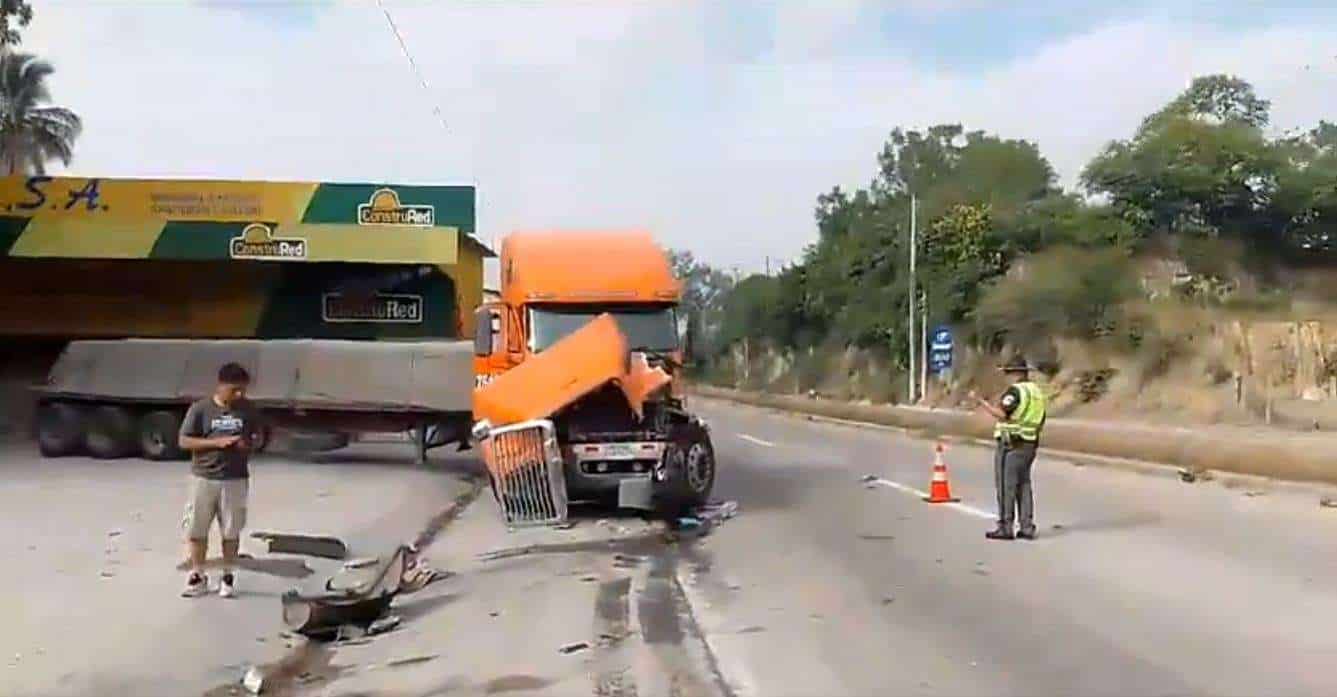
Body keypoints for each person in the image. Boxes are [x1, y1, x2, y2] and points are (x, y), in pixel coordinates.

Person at [178, 362, 261, 598]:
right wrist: (216, 443)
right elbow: (184, 441)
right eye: (234, 390)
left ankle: (227, 575)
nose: (239, 395)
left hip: (235, 479)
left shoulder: (248, 409)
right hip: (203, 477)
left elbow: (257, 437)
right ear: (220, 385)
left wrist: (249, 444)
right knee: (196, 529)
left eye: (243, 390)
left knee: (231, 530)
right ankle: (197, 575)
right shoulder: (200, 409)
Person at [970, 357, 1047, 541]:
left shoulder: (1016, 392)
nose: (1006, 377)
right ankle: (1027, 526)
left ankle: (1005, 526)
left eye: (1008, 373)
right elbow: (1042, 418)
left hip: (1012, 444)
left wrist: (980, 402)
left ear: (1016, 373)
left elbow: (1002, 414)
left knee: (1007, 486)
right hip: (1030, 443)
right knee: (1024, 485)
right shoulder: (1036, 391)